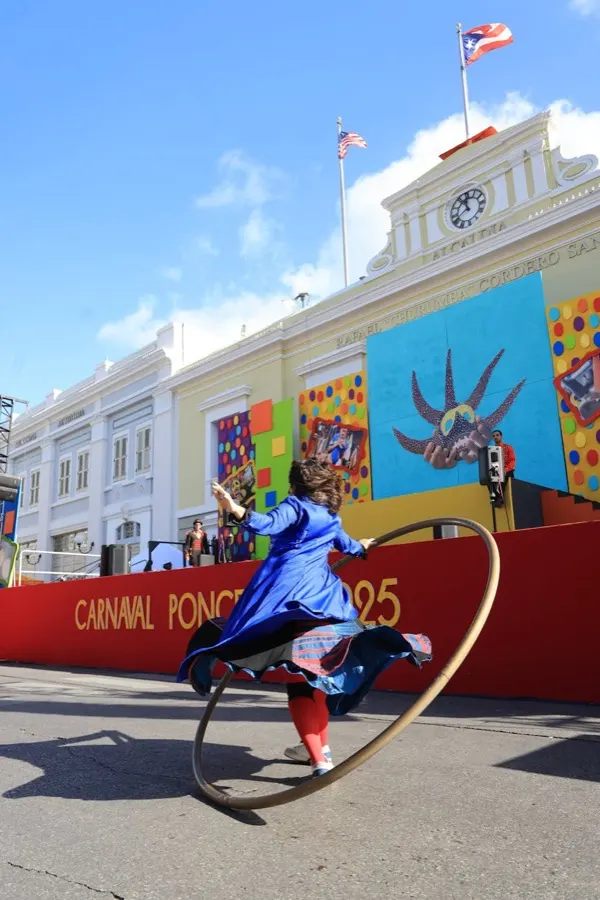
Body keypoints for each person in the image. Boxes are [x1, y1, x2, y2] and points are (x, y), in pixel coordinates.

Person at [176, 458, 432, 778]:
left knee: (297, 683)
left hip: (288, 599)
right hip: (326, 604)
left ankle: (319, 761)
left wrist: (234, 508)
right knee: (314, 679)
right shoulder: (330, 518)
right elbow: (352, 547)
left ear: (296, 485)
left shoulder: (295, 506)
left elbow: (266, 524)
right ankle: (317, 749)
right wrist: (364, 544)